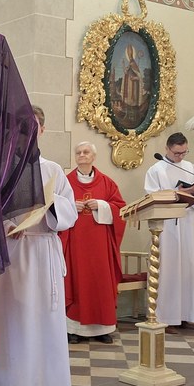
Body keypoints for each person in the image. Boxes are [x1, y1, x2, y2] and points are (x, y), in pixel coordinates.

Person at [0, 106, 78, 386]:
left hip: (44, 251)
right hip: (15, 253)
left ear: (42, 130)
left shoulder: (53, 170)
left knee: (48, 324)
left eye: (33, 126)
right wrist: (5, 227)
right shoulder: (2, 169)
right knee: (15, 324)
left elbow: (69, 211)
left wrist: (50, 204)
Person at [60, 141, 126, 345]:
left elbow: (120, 209)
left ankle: (103, 329)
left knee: (100, 283)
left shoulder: (107, 183)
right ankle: (74, 330)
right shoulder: (65, 182)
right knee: (76, 282)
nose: (82, 155)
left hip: (100, 245)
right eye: (78, 152)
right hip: (75, 244)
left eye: (86, 152)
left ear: (93, 156)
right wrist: (71, 207)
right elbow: (54, 207)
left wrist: (102, 205)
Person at [144, 132, 194, 330]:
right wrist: (177, 193)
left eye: (184, 152)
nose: (180, 157)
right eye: (176, 153)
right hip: (167, 225)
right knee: (169, 269)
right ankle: (166, 316)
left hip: (188, 222)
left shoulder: (191, 168)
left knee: (189, 266)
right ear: (167, 149)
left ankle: (188, 314)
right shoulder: (156, 170)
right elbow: (151, 195)